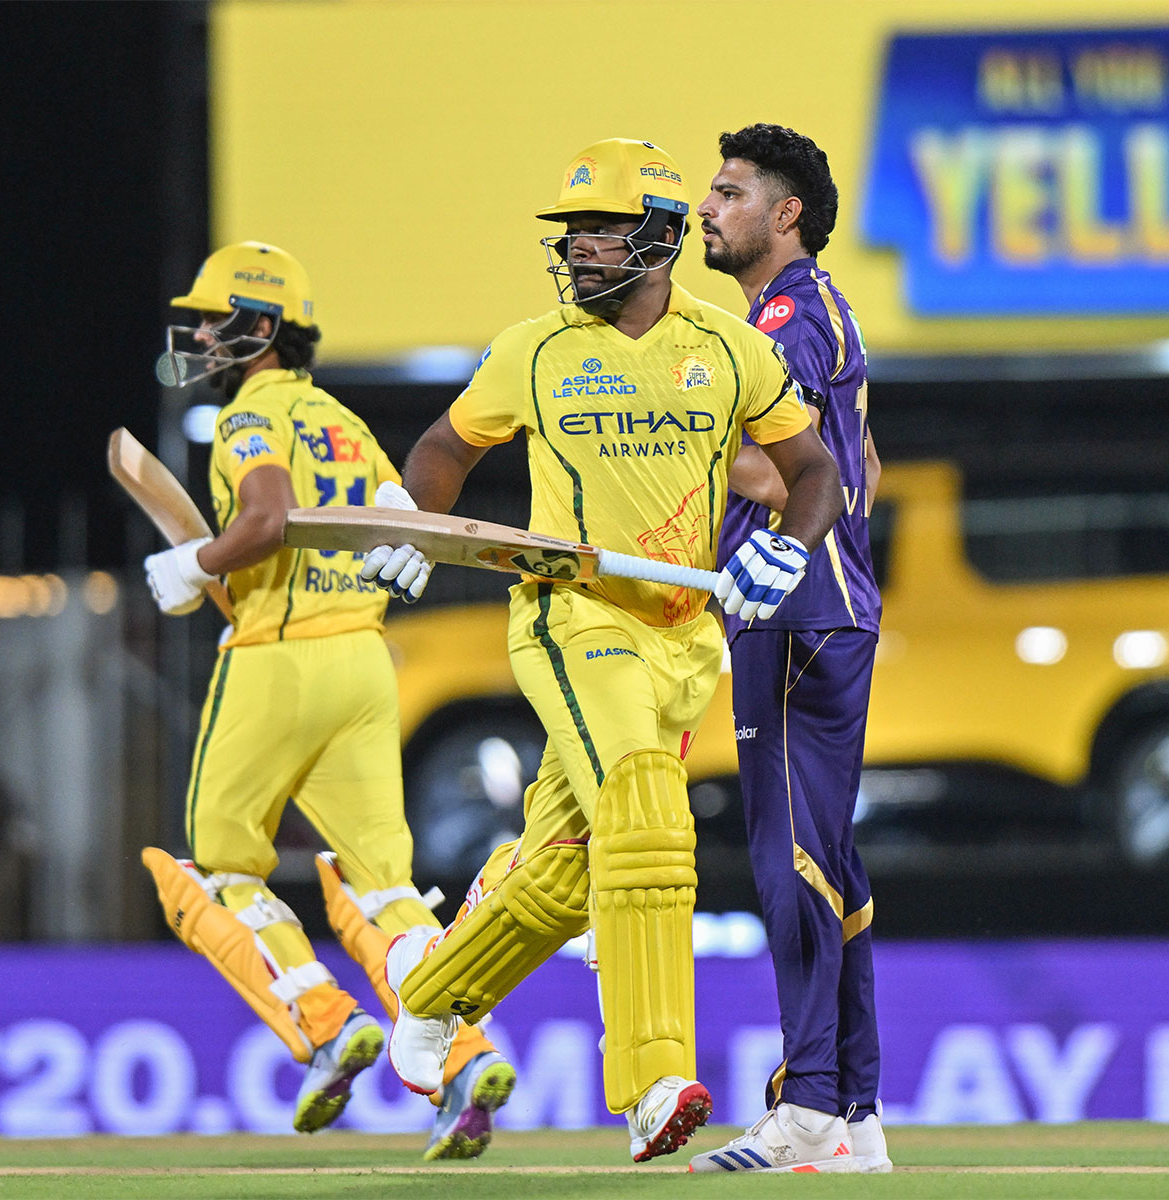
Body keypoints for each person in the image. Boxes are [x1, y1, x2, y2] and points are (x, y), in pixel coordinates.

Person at [360, 140, 843, 1163]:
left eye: (602, 230)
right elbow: (446, 448)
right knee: (644, 810)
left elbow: (814, 472)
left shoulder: (727, 348)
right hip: (574, 618)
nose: (580, 249)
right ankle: (652, 1078)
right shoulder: (533, 349)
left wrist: (783, 557)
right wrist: (413, 524)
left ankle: (432, 997)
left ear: (662, 236)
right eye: (571, 232)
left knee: (563, 875)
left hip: (684, 637)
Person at [138, 240, 515, 1159]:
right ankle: (459, 1057)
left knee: (215, 873)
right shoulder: (345, 420)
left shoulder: (249, 418)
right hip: (363, 661)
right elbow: (404, 520)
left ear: (260, 329)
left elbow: (262, 520)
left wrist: (194, 562)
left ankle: (321, 1021)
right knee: (385, 886)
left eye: (213, 322)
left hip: (278, 659)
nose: (199, 338)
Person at [686, 124, 891, 1175]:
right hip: (829, 608)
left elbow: (781, 474)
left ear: (785, 213)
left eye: (726, 192)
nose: (704, 209)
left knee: (790, 860)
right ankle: (851, 1113)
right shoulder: (823, 311)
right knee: (831, 862)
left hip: (796, 613)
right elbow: (865, 461)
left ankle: (808, 1107)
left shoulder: (779, 321)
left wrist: (669, 454)